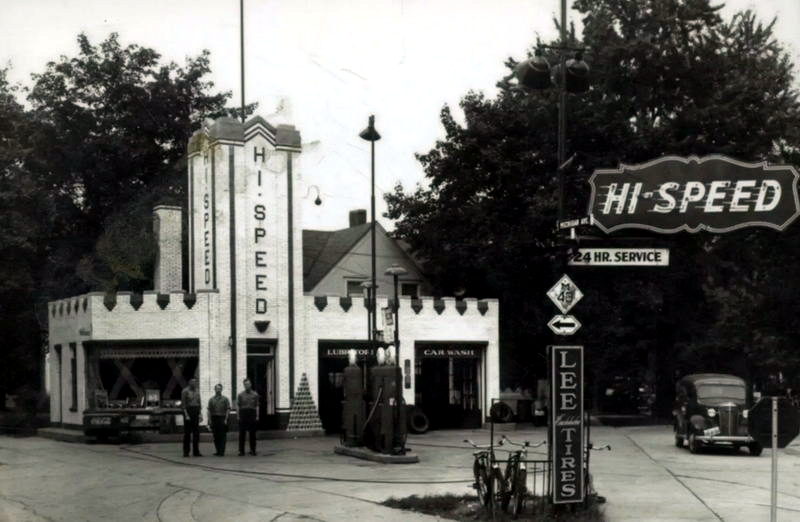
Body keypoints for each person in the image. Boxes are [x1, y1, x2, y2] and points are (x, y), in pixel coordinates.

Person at [237, 378, 259, 456]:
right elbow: (238, 406)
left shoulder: (255, 394)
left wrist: (257, 416)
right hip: (243, 413)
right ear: (244, 385)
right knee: (242, 433)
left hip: (252, 413)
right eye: (245, 384)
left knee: (252, 433)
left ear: (251, 384)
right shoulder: (240, 395)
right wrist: (238, 416)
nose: (247, 386)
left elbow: (257, 406)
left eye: (248, 384)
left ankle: (253, 450)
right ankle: (241, 451)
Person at [207, 383, 231, 456]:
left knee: (222, 436)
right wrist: (209, 420)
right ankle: (218, 451)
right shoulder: (211, 399)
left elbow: (228, 409)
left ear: (221, 389)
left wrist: (226, 419)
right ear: (214, 389)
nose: (218, 390)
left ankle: (221, 451)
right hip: (214, 418)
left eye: (220, 388)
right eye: (217, 388)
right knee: (215, 436)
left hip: (222, 418)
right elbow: (209, 410)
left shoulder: (225, 399)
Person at [181, 378, 202, 457]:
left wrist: (200, 414)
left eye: (195, 382)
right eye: (192, 382)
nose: (194, 383)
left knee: (196, 433)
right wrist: (186, 415)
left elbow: (199, 403)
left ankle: (196, 451)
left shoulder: (197, 391)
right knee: (187, 433)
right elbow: (183, 405)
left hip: (196, 411)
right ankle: (186, 452)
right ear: (189, 382)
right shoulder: (185, 391)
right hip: (188, 411)